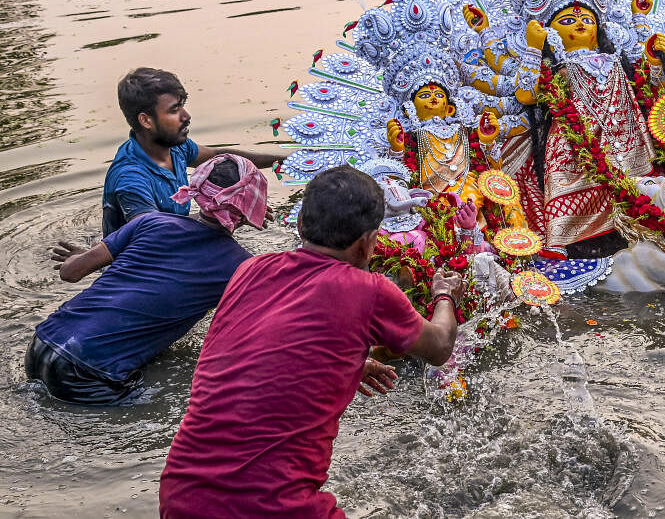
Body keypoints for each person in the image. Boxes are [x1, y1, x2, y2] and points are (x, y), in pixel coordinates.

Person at [159, 165, 465, 518]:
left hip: (182, 492)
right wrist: (444, 296)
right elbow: (440, 346)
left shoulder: (250, 269)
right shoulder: (369, 290)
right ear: (369, 243)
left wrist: (339, 362)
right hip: (269, 505)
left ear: (301, 223)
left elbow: (244, 353)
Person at [29, 155, 267, 405]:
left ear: (197, 189)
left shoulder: (150, 222)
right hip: (87, 373)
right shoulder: (241, 266)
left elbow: (70, 272)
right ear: (251, 207)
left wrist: (92, 255)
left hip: (42, 343)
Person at [103, 67, 281, 236]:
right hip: (143, 262)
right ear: (146, 120)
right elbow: (153, 232)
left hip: (177, 245)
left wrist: (286, 161)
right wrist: (227, 212)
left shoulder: (175, 147)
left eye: (182, 105)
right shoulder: (130, 178)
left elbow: (218, 156)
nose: (186, 116)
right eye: (174, 109)